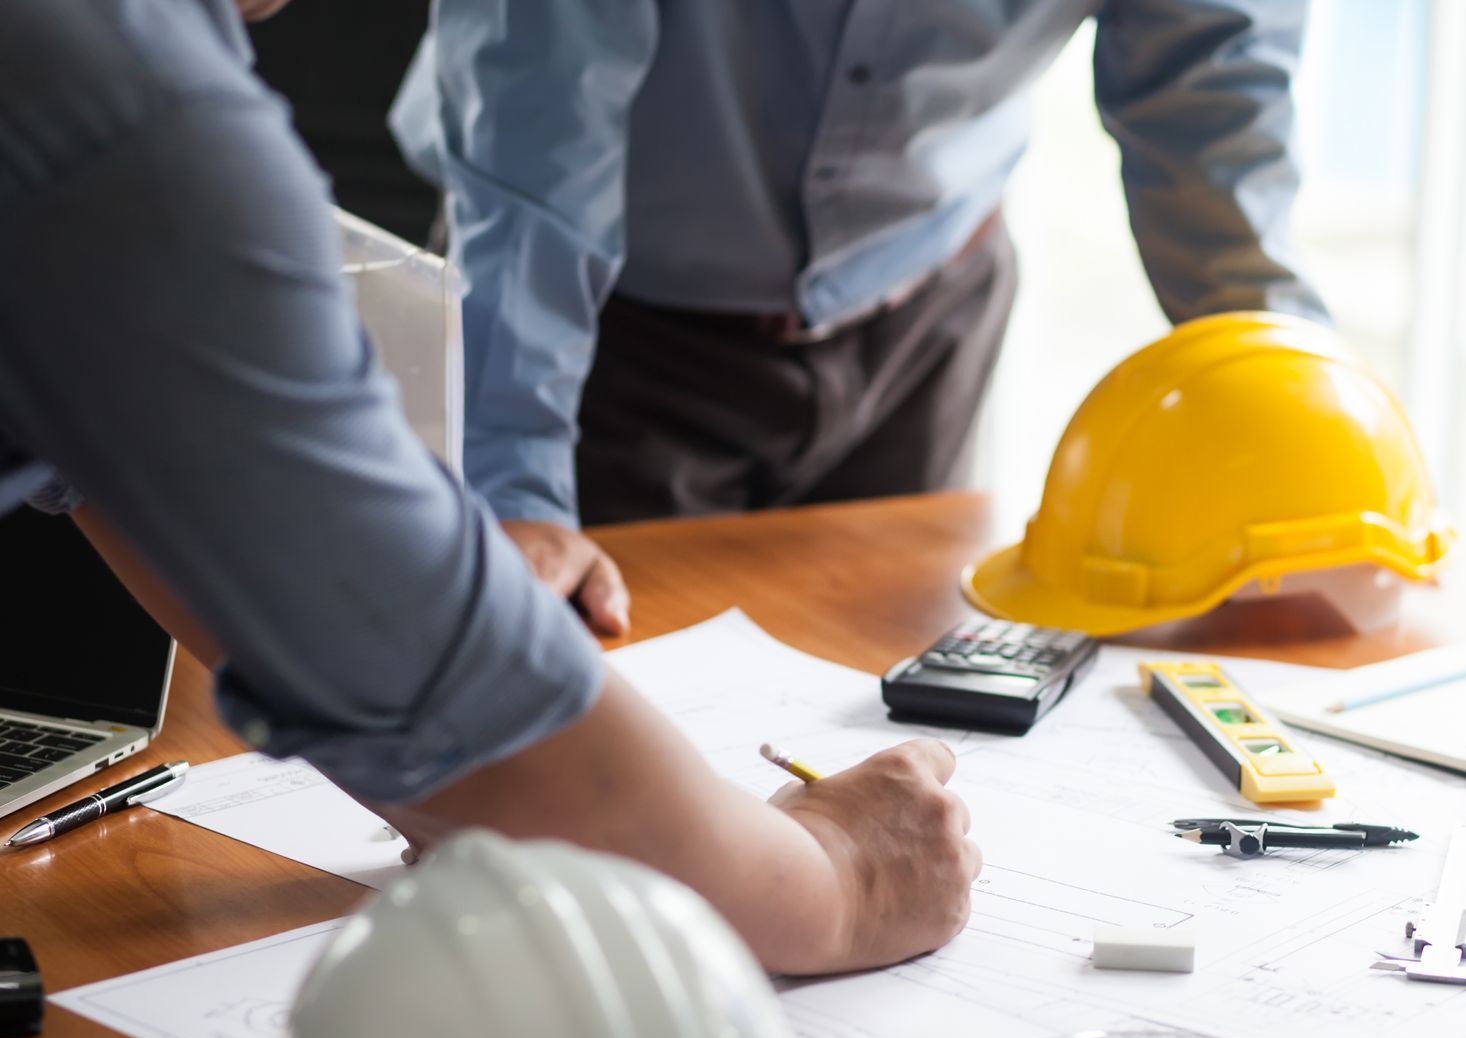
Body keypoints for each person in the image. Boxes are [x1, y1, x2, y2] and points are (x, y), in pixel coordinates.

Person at [0, 0, 978, 977]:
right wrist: (835, 881)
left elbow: (226, 531)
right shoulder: (105, 89)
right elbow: (391, 627)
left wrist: (479, 790)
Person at [392, 0, 1328, 636]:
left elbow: (1213, 79)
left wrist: (1307, 451)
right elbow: (541, 95)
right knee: (582, 736)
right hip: (589, 328)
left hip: (925, 308)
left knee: (896, 725)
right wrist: (512, 479)